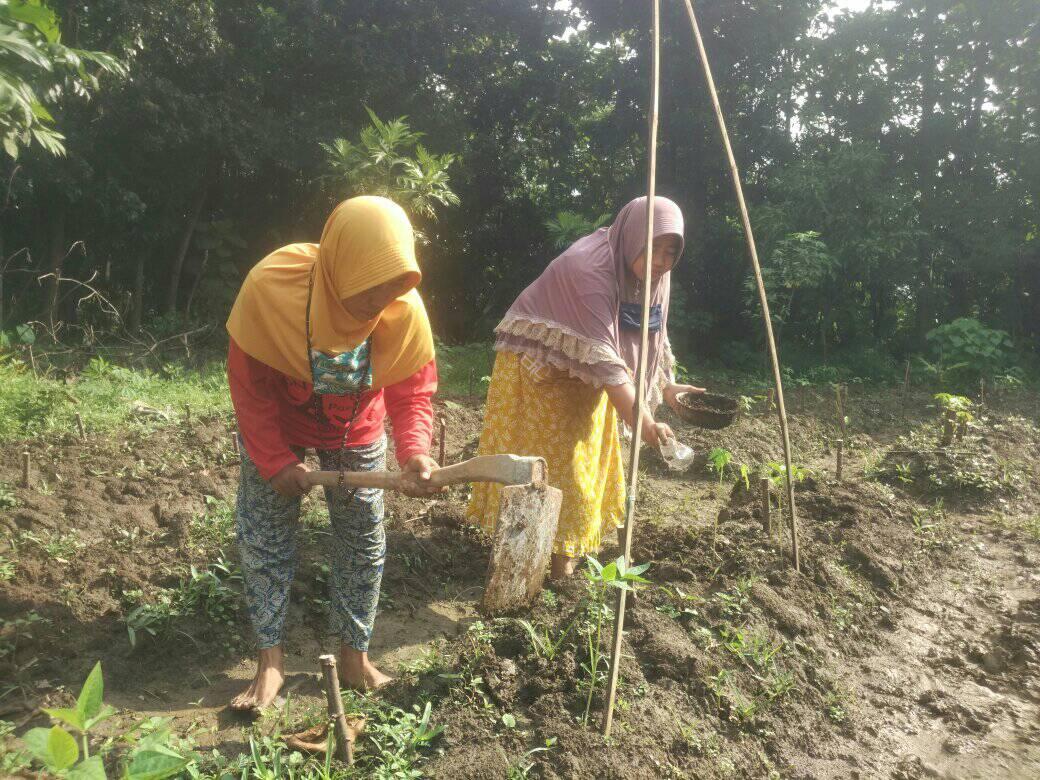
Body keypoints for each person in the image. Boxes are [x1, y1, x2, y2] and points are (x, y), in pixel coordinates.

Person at [225, 196, 440, 711]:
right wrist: (274, 460)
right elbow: (248, 384)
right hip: (278, 421)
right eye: (371, 288)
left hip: (356, 426)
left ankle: (353, 656)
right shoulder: (270, 289)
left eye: (395, 286)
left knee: (362, 535)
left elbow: (412, 392)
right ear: (342, 267)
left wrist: (414, 451)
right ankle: (269, 661)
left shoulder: (402, 306)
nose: (380, 303)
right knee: (265, 532)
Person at [467, 196, 705, 579]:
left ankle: (563, 564)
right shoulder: (589, 270)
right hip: (540, 368)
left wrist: (667, 386)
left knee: (588, 462)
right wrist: (645, 424)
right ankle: (541, 568)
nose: (662, 260)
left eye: (671, 251)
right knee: (556, 469)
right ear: (632, 237)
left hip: (589, 370)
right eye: (655, 248)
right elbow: (611, 368)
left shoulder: (654, 274)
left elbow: (649, 330)